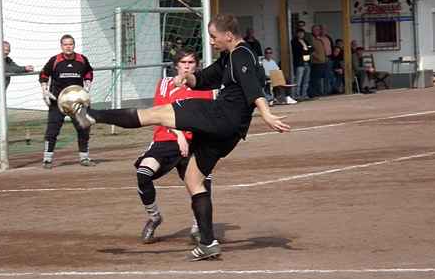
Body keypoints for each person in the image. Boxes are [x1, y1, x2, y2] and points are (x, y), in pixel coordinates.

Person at [72, 14, 291, 261]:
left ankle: (92, 116)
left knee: (157, 114)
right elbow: (206, 78)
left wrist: (267, 114)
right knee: (194, 178)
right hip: (229, 132)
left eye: (213, 36)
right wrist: (187, 78)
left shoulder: (242, 54)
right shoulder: (229, 56)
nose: (210, 41)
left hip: (220, 117)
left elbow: (253, 88)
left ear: (228, 35)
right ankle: (208, 242)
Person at [136, 48, 214, 244]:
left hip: (193, 143)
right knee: (143, 173)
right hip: (165, 140)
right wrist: (178, 134)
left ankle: (197, 226)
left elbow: (203, 118)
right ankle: (154, 217)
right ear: (176, 65)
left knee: (203, 183)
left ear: (197, 65)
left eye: (191, 62)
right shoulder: (164, 84)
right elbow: (159, 113)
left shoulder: (204, 88)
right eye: (183, 62)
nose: (187, 66)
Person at [39, 34, 95, 168]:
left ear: (74, 45)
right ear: (61, 46)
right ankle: (47, 159)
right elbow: (43, 74)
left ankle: (84, 157)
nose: (68, 47)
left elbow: (89, 72)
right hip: (58, 102)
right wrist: (45, 90)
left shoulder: (82, 59)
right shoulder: (55, 60)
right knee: (52, 130)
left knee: (84, 128)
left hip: (77, 102)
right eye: (65, 44)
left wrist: (87, 84)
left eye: (70, 44)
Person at [0, 41, 34, 146]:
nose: (6, 52)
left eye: (8, 50)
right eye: (4, 49)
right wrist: (23, 69)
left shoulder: (7, 59)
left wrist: (25, 69)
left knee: (0, 113)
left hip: (1, 91)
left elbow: (15, 67)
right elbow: (7, 68)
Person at [291, 28, 311, 100]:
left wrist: (307, 49)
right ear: (297, 34)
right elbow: (298, 51)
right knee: (298, 80)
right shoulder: (294, 41)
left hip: (307, 62)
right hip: (300, 63)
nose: (301, 34)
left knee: (306, 80)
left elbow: (310, 48)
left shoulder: (305, 41)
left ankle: (304, 94)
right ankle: (297, 95)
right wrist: (305, 50)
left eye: (302, 33)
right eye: (299, 33)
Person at [309, 24, 327, 97]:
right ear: (312, 30)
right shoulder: (311, 38)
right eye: (316, 29)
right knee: (314, 79)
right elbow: (310, 48)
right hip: (316, 62)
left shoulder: (319, 39)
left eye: (318, 30)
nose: (318, 31)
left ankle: (318, 92)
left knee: (319, 79)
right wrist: (316, 56)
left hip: (322, 62)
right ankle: (313, 93)